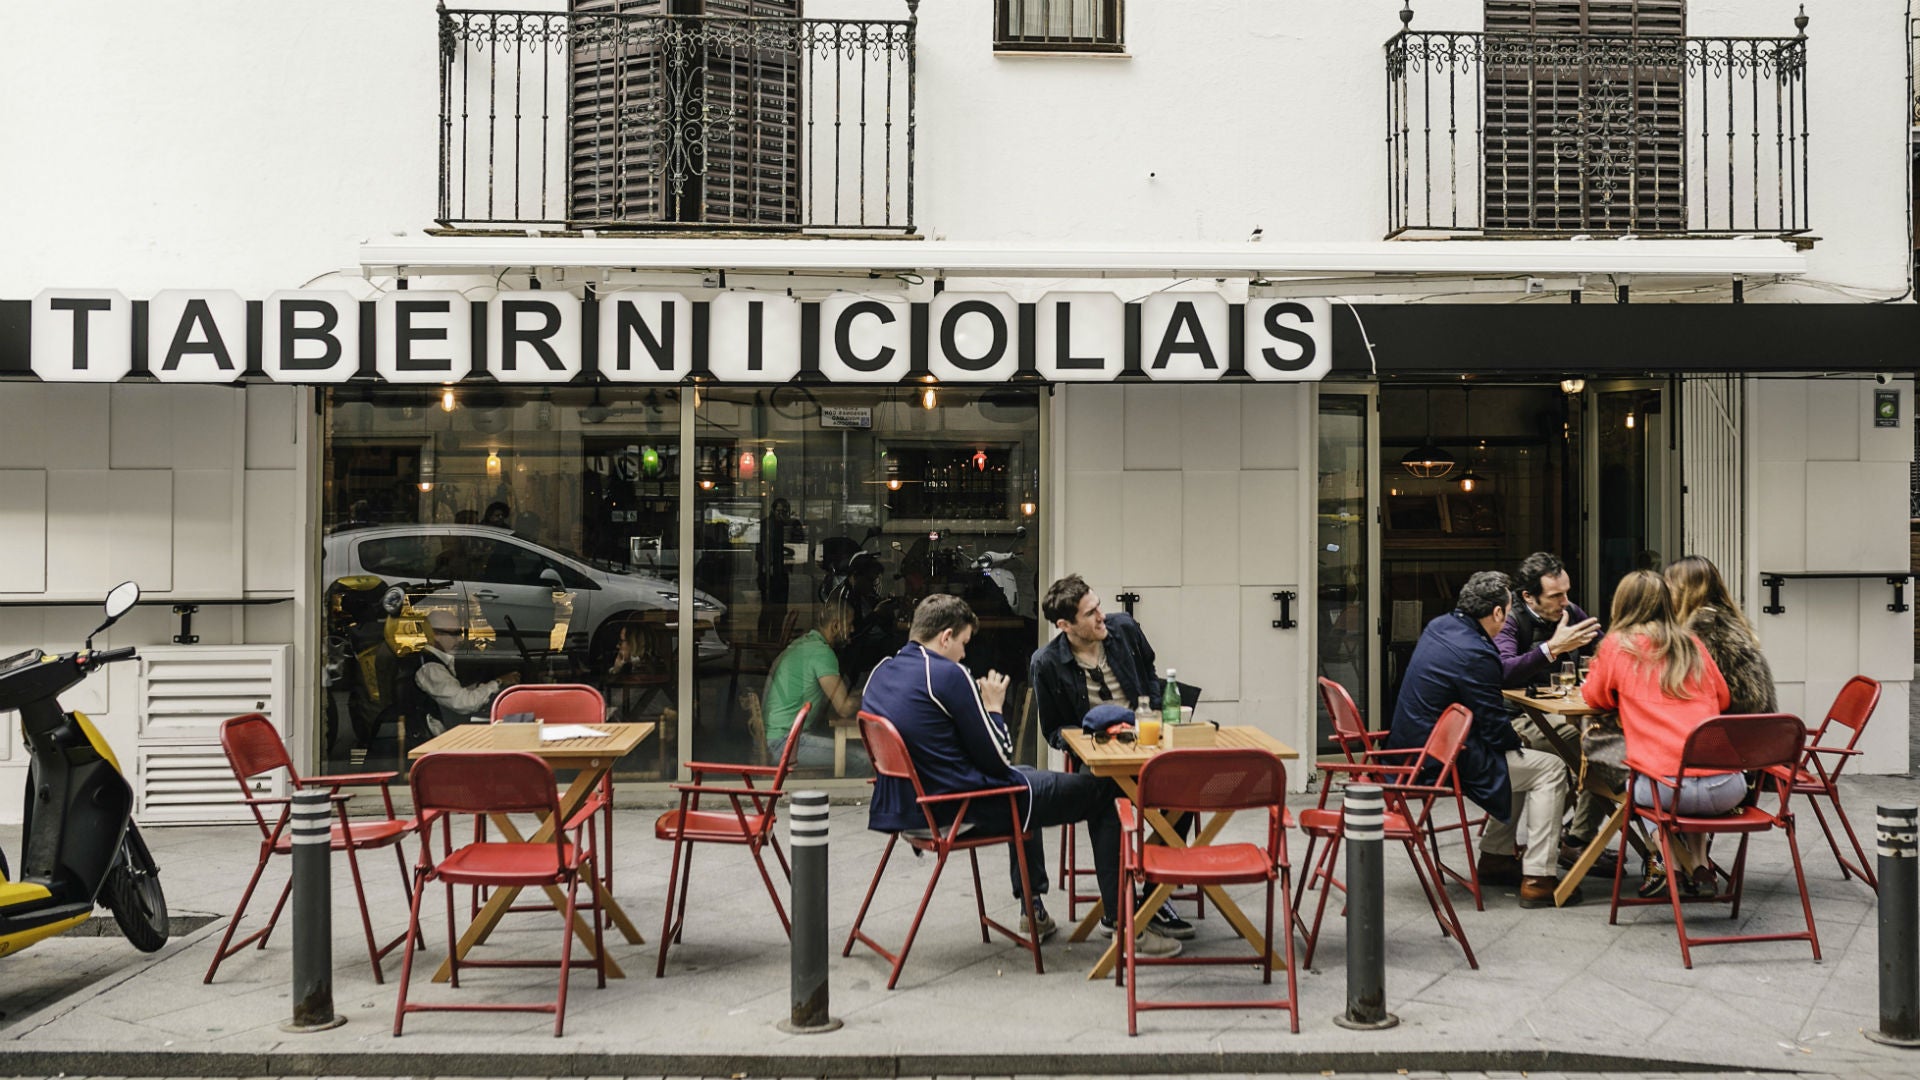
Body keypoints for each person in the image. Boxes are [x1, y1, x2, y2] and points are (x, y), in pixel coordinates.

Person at [861, 594, 1181, 956]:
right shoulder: (947, 675)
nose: (965, 655)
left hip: (910, 810)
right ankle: (1124, 924)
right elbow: (1000, 755)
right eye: (964, 644)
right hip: (961, 808)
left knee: (1026, 780)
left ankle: (1034, 912)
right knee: (1106, 791)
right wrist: (995, 707)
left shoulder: (881, 671)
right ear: (946, 637)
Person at [1389, 571, 1579, 908]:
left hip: (1413, 750)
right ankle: (1539, 878)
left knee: (1524, 756)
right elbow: (1494, 728)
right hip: (1440, 761)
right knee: (1549, 768)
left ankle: (1496, 856)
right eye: (1506, 613)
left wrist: (1515, 740)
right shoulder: (1478, 652)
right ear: (1496, 613)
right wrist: (1516, 739)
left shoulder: (1440, 626)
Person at [1024, 574, 1195, 940]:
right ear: (1065, 625)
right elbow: (1053, 730)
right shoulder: (1047, 663)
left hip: (1146, 739)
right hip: (1098, 753)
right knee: (1111, 801)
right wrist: (1090, 742)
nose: (1102, 616)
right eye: (1090, 613)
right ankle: (1119, 906)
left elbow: (1149, 672)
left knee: (1188, 792)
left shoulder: (1124, 629)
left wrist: (1152, 711)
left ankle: (1154, 894)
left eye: (1098, 605)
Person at [1580, 570, 1734, 899]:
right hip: (1725, 787)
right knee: (1681, 769)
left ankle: (1667, 861)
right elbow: (1723, 698)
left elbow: (1595, 698)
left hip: (1664, 790)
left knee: (1645, 777)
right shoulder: (1693, 644)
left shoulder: (1617, 646)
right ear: (1667, 602)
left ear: (1620, 605)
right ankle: (1699, 863)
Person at [1494, 551, 1612, 872]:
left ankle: (1577, 840)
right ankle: (1578, 842)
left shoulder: (1570, 612)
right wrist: (1551, 649)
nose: (1565, 601)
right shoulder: (1510, 620)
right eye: (1555, 595)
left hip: (1561, 712)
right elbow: (1502, 671)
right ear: (1528, 596)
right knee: (1601, 749)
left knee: (1603, 744)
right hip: (1518, 720)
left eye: (1567, 592)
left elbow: (1603, 651)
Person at [762, 597, 868, 772]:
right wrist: (872, 694)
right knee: (863, 758)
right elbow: (844, 708)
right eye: (849, 624)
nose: (852, 629)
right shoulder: (822, 654)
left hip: (777, 737)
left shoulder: (804, 643)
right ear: (835, 626)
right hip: (784, 743)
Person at [1664, 555, 1777, 715]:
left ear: (1686, 590)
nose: (1664, 593)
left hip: (1729, 733)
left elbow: (1748, 696)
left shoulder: (1708, 628)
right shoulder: (1726, 620)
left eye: (1669, 586)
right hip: (1751, 731)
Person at [413, 608, 518, 733]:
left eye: (461, 633)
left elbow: (456, 693)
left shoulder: (435, 663)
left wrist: (481, 687)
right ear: (435, 635)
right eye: (455, 633)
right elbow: (464, 703)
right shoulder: (431, 669)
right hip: (440, 741)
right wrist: (498, 682)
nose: (460, 639)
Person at [756, 498, 795, 642]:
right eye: (780, 511)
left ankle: (773, 640)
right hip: (771, 573)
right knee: (768, 609)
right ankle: (765, 641)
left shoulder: (784, 526)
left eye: (785, 511)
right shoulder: (769, 525)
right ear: (773, 510)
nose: (782, 514)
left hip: (779, 572)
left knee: (779, 609)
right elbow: (763, 551)